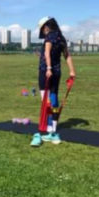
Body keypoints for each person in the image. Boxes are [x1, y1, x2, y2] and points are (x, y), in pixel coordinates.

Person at [31, 16, 75, 147]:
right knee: (53, 99)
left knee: (47, 101)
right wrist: (72, 71)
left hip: (46, 71)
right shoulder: (61, 38)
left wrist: (49, 68)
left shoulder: (49, 36)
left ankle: (48, 130)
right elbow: (67, 55)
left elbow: (47, 53)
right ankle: (51, 130)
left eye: (43, 29)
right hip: (55, 71)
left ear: (46, 27)